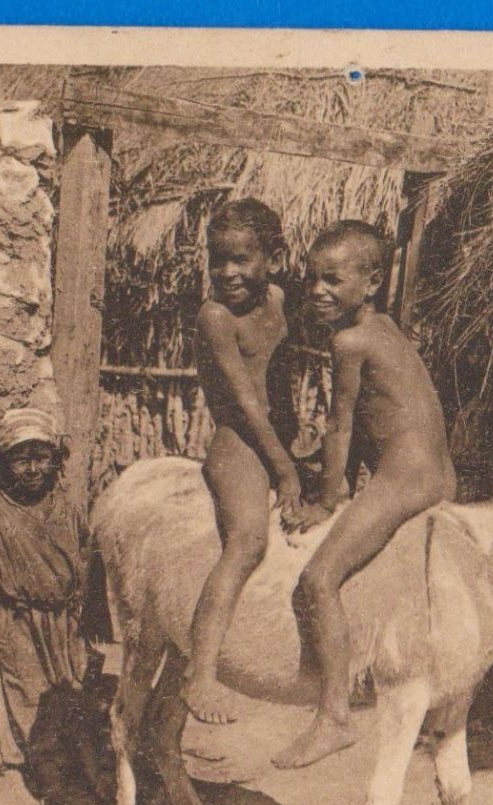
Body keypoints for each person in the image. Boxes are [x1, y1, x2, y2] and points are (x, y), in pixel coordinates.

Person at [274, 220, 457, 770]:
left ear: (372, 281)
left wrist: (327, 503)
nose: (316, 292)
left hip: (408, 480)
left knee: (318, 578)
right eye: (311, 280)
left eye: (332, 280)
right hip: (437, 478)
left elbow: (342, 426)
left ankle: (333, 715)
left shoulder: (349, 342)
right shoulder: (388, 333)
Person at [181, 198, 302, 725]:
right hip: (240, 447)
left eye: (241, 259)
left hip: (280, 443)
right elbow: (249, 407)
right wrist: (285, 470)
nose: (227, 272)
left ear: (272, 258)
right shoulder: (215, 317)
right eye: (217, 259)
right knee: (247, 543)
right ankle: (201, 673)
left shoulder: (279, 300)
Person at [0, 407, 92, 770]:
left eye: (41, 458)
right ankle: (43, 766)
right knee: (29, 689)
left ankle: (69, 757)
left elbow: (84, 555)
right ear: (4, 464)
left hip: (65, 620)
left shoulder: (67, 509)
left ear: (56, 459)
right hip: (17, 619)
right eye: (21, 460)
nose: (33, 469)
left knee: (73, 687)